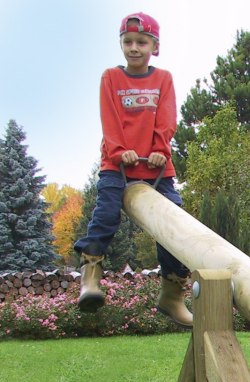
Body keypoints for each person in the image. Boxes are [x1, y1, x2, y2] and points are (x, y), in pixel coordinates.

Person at [73, 12, 192, 327]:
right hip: (118, 164)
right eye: (128, 41)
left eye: (142, 42)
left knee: (174, 223)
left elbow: (166, 118)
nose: (134, 48)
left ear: (155, 46)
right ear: (121, 44)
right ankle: (91, 275)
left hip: (155, 166)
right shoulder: (111, 77)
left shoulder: (163, 78)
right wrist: (118, 150)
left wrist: (158, 151)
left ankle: (172, 292)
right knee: (106, 213)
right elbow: (109, 118)